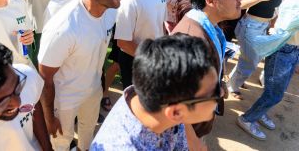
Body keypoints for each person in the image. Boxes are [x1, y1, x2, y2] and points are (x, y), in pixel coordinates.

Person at [38, 0, 122, 151]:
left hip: (93, 91)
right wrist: (49, 118)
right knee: (61, 143)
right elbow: (45, 77)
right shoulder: (64, 27)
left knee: (88, 136)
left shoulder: (111, 10)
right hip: (64, 100)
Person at [91, 34, 221, 150]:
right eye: (213, 92)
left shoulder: (150, 98)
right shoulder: (121, 146)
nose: (221, 93)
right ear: (176, 112)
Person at [172, 0, 242, 146]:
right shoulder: (190, 39)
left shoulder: (209, 27)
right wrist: (194, 143)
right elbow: (176, 102)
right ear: (211, 0)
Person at [227, 0, 298, 100]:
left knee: (250, 60)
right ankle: (232, 86)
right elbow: (242, 5)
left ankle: (235, 80)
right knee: (250, 62)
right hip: (250, 26)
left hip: (261, 27)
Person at [115, 0, 166, 89]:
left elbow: (161, 24)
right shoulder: (129, 0)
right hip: (135, 62)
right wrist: (149, 59)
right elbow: (123, 42)